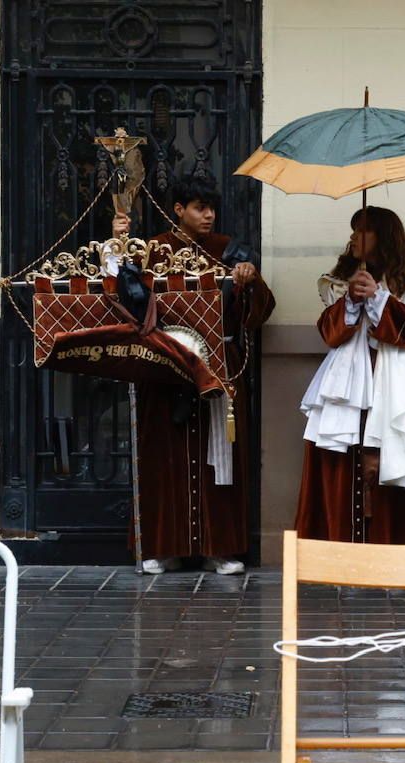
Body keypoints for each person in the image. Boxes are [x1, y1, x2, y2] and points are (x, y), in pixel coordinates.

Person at [132, 174, 275, 574]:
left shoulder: (228, 251)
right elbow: (127, 301)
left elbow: (260, 311)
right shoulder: (153, 252)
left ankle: (220, 548)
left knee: (220, 456)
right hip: (166, 365)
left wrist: (249, 281)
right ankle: (164, 547)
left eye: (211, 208)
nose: (208, 215)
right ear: (179, 210)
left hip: (219, 365)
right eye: (199, 207)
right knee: (166, 455)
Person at [294, 206, 405, 544]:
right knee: (340, 460)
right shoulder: (340, 280)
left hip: (394, 386)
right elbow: (330, 334)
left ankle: (390, 551)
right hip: (347, 386)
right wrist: (351, 302)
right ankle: (338, 549)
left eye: (362, 230)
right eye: (353, 230)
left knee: (390, 464)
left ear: (383, 237)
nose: (353, 237)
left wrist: (378, 297)